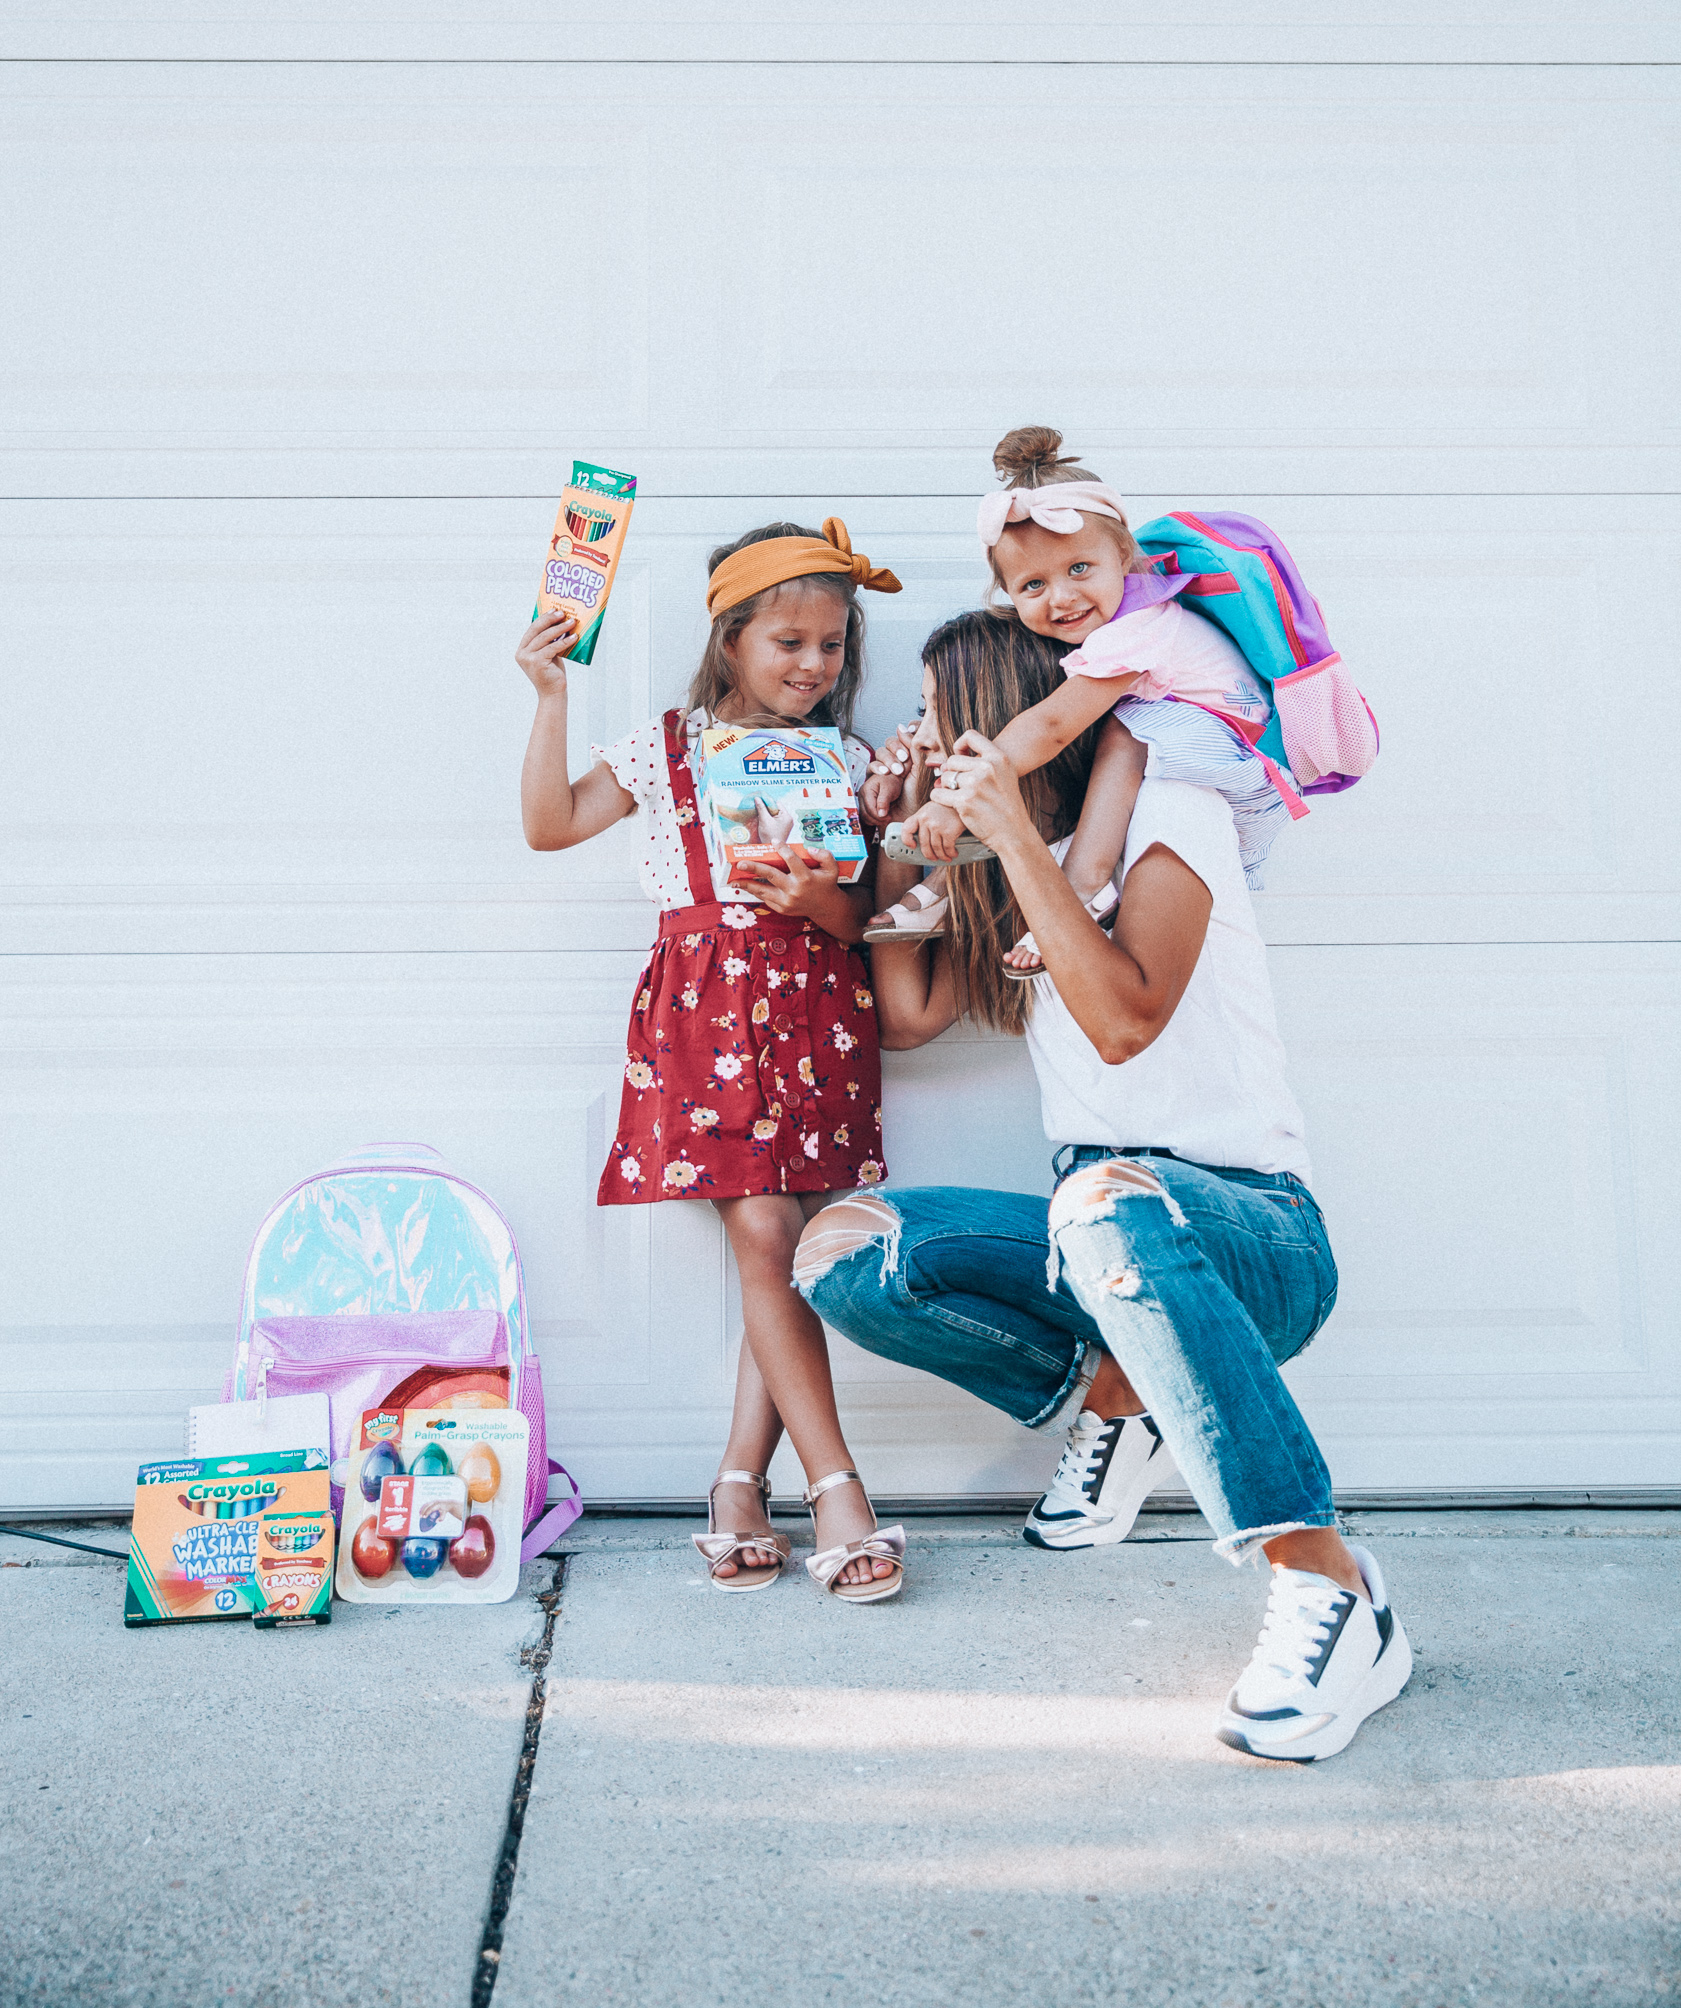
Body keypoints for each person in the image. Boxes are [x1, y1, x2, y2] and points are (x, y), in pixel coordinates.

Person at [794, 609, 1412, 1759]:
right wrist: (899, 846)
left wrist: (1014, 844)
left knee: (1105, 1200)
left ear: (1002, 722)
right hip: (1101, 1237)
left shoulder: (1172, 817)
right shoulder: (1002, 873)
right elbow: (911, 1019)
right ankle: (1118, 1391)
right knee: (842, 1250)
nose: (918, 732)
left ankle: (1331, 1585)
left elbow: (1126, 1020)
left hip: (1253, 1235)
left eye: (936, 712)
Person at [516, 518, 906, 1603]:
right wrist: (550, 694)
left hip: (821, 1003)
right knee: (767, 1235)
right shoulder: (667, 743)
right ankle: (837, 1489)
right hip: (707, 1009)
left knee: (799, 1254)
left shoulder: (853, 757)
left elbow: (874, 910)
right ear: (730, 638)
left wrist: (821, 898)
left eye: (831, 646)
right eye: (787, 641)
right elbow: (550, 825)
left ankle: (737, 1485)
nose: (812, 665)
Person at [863, 427, 1296, 975]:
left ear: (1122, 554)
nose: (1062, 598)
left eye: (1079, 569)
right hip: (1214, 744)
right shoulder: (1110, 624)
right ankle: (949, 886)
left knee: (1119, 735)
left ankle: (1085, 886)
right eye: (1033, 586)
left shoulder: (1137, 629)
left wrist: (949, 799)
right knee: (1044, 744)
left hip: (1241, 753)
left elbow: (1048, 727)